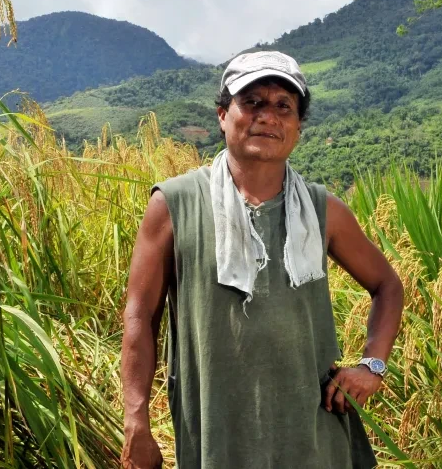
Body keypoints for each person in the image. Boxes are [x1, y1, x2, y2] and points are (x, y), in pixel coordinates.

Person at [119, 50, 404, 469]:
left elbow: (387, 286)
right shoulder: (176, 204)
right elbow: (140, 315)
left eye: (283, 107)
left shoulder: (323, 210)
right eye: (251, 102)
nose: (268, 116)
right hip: (216, 432)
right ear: (222, 115)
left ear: (298, 127)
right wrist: (136, 421)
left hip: (312, 433)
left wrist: (372, 365)